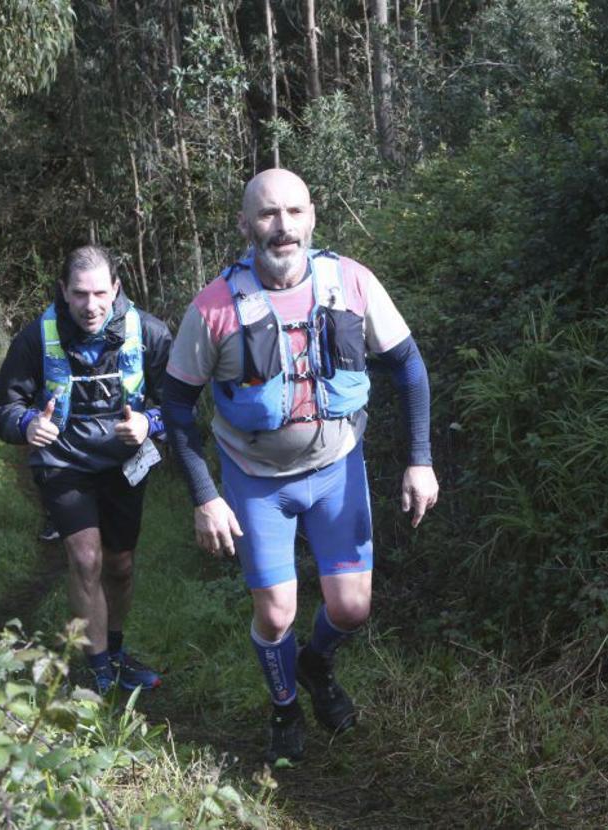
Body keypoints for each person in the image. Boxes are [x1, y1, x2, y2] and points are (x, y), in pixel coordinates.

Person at [162, 168, 438, 763]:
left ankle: (316, 665)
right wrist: (206, 496)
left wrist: (420, 460)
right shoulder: (213, 307)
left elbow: (409, 367)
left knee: (352, 608)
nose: (282, 227)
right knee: (278, 610)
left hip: (337, 466)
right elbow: (176, 403)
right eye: (267, 214)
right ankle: (284, 706)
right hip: (256, 481)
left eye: (294, 212)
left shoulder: (353, 282)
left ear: (312, 216)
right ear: (244, 224)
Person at [0, 245, 173, 693]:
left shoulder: (150, 332)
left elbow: (179, 404)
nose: (91, 306)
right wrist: (28, 424)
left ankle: (117, 651)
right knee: (86, 558)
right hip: (62, 461)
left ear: (116, 290)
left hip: (126, 462)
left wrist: (150, 423)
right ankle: (99, 666)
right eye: (81, 294)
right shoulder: (36, 336)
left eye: (100, 294)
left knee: (120, 565)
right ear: (64, 292)